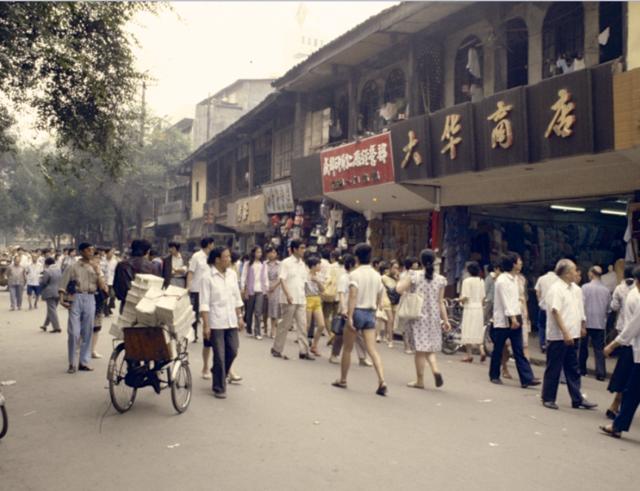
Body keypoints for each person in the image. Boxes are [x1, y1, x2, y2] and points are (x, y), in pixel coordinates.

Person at [541, 259, 597, 410]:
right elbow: (555, 311)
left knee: (573, 367)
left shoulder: (576, 289)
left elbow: (580, 309)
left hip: (573, 333)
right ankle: (548, 397)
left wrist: (582, 325)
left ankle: (577, 398)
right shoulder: (556, 289)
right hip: (559, 335)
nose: (576, 272)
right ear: (566, 273)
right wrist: (565, 332)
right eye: (573, 270)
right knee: (554, 367)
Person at [332, 243, 387, 396]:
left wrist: (349, 316)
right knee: (372, 349)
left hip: (357, 312)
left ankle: (343, 379)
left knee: (348, 349)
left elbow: (353, 296)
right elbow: (380, 296)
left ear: (356, 258)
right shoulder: (377, 276)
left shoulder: (354, 275)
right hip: (370, 313)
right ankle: (382, 380)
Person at [396, 249, 451, 389]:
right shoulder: (440, 280)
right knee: (429, 349)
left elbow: (398, 289)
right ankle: (435, 370)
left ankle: (420, 381)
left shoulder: (415, 276)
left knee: (420, 350)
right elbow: (440, 302)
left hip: (417, 316)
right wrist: (446, 320)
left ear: (420, 261)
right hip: (433, 317)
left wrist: (405, 279)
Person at [600, 266, 640, 439]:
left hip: (635, 348)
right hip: (636, 350)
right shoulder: (633, 296)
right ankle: (618, 425)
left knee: (632, 391)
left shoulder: (634, 296)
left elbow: (632, 328)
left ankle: (618, 425)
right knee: (632, 391)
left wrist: (613, 345)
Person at [200, 246, 245, 399]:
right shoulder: (207, 277)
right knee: (219, 355)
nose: (229, 259)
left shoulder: (232, 274)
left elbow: (237, 297)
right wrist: (206, 325)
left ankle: (217, 372)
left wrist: (240, 317)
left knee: (233, 350)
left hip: (231, 319)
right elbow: (204, 303)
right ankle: (219, 387)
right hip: (215, 321)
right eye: (226, 257)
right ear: (217, 259)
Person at [489, 252, 540, 388]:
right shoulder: (503, 280)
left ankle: (526, 378)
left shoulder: (516, 279)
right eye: (519, 261)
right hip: (505, 318)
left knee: (519, 349)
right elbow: (506, 300)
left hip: (516, 315)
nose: (521, 263)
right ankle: (494, 375)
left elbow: (516, 299)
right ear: (513, 263)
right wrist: (513, 318)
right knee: (499, 348)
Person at [59, 243, 106, 374]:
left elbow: (102, 287)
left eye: (92, 250)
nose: (91, 252)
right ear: (82, 251)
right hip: (75, 298)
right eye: (88, 250)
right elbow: (63, 283)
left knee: (87, 332)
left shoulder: (96, 267)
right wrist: (62, 299)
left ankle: (83, 363)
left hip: (91, 298)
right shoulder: (72, 267)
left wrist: (97, 272)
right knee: (73, 332)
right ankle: (72, 363)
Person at [272, 240, 314, 360]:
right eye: (301, 248)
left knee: (303, 325)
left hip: (301, 298)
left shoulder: (302, 264)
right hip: (288, 299)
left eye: (304, 248)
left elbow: (304, 282)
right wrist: (288, 294)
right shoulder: (286, 263)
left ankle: (304, 351)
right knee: (285, 325)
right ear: (294, 249)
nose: (303, 250)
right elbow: (282, 279)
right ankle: (277, 349)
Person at [329, 254, 371, 366]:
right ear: (352, 264)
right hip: (346, 308)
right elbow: (341, 293)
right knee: (340, 334)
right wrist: (343, 308)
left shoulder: (355, 276)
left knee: (359, 334)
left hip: (355, 307)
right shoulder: (345, 277)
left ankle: (362, 357)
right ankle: (334, 355)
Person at [186, 237, 215, 376]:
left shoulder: (213, 257)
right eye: (212, 244)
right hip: (197, 289)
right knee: (194, 314)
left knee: (205, 315)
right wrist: (188, 286)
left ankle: (203, 331)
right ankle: (193, 334)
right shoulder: (196, 256)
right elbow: (191, 272)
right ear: (209, 244)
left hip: (209, 290)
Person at [580, 266, 611, 380]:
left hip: (586, 322)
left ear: (591, 274)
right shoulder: (606, 290)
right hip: (600, 323)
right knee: (599, 349)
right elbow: (609, 308)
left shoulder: (585, 287)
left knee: (583, 347)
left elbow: (581, 305)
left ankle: (581, 369)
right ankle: (601, 373)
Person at [459, 261, 486, 363]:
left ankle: (469, 355)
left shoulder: (467, 281)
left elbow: (465, 296)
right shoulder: (481, 281)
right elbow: (483, 297)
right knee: (477, 330)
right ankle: (481, 350)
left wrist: (460, 300)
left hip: (469, 308)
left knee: (467, 330)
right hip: (478, 308)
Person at [241, 245, 267, 340]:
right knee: (249, 311)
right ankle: (249, 328)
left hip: (260, 290)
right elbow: (243, 276)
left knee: (258, 311)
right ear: (253, 253)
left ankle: (258, 332)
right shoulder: (248, 264)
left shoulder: (263, 264)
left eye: (260, 252)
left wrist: (266, 288)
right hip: (250, 290)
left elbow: (265, 277)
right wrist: (243, 288)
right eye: (257, 252)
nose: (259, 254)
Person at [535, 265, 559, 354]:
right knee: (552, 326)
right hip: (554, 307)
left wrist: (540, 302)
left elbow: (538, 292)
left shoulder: (541, 279)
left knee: (541, 326)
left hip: (543, 307)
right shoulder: (558, 279)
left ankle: (542, 344)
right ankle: (550, 343)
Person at [307, 256, 328, 356]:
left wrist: (317, 281)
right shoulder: (305, 276)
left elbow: (323, 289)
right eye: (319, 264)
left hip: (317, 300)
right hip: (307, 299)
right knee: (307, 325)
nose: (320, 266)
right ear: (313, 266)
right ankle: (304, 345)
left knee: (321, 325)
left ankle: (314, 345)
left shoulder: (318, 276)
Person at [39, 257, 62, 333]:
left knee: (52, 310)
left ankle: (57, 327)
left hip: (49, 292)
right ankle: (45, 325)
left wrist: (40, 283)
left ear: (46, 264)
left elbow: (44, 282)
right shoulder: (59, 270)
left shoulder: (47, 271)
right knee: (52, 309)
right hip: (58, 291)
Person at [264, 246, 282, 339]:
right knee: (264, 308)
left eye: (274, 252)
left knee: (274, 309)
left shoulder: (280, 264)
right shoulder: (264, 264)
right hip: (265, 286)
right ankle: (265, 328)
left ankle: (273, 330)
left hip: (276, 287)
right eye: (270, 252)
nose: (272, 254)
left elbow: (281, 277)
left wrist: (274, 286)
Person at [104, 247, 118, 316]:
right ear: (106, 253)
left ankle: (109, 307)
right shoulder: (103, 261)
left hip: (112, 281)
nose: (111, 254)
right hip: (104, 281)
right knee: (105, 297)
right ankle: (105, 309)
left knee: (113, 296)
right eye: (110, 253)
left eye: (112, 253)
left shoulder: (114, 261)